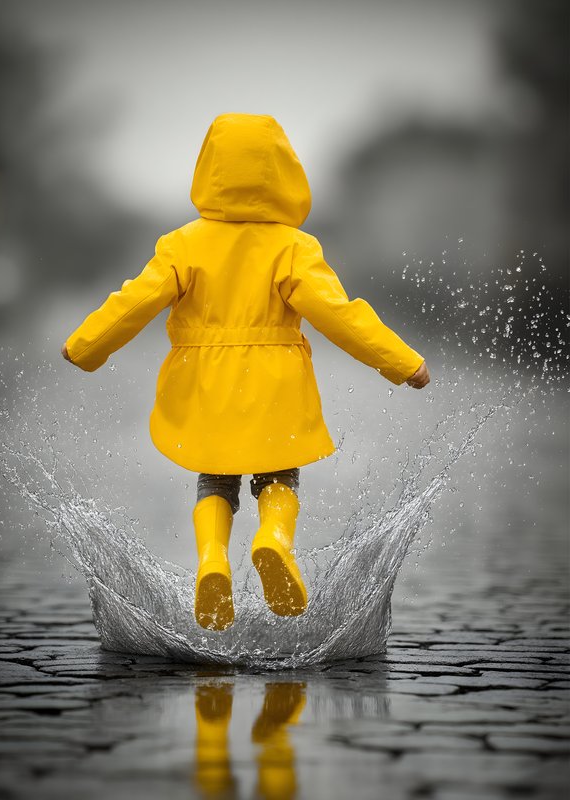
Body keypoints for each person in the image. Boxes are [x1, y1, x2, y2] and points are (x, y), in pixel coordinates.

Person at [62, 113, 430, 632]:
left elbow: (134, 302)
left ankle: (213, 560)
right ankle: (273, 541)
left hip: (203, 381)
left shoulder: (182, 244)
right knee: (279, 473)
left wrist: (85, 346)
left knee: (215, 476)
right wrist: (403, 362)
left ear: (208, 169)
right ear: (285, 172)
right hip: (276, 383)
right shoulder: (295, 248)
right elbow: (341, 316)